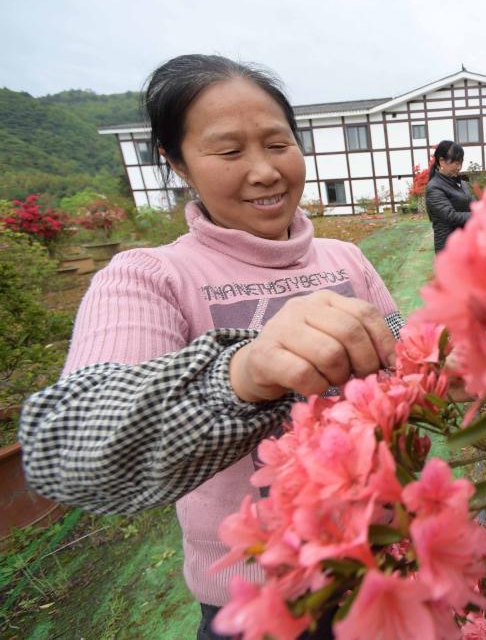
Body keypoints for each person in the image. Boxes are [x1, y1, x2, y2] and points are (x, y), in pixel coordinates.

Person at [18, 54, 404, 639]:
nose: (265, 171)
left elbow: (406, 358)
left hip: (388, 570)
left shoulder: (345, 258)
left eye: (278, 144)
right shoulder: (148, 276)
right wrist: (241, 371)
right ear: (176, 163)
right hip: (263, 608)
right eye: (229, 152)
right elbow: (66, 447)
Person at [425, 140, 474, 253]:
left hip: (466, 243)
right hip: (448, 248)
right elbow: (450, 216)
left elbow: (473, 204)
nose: (459, 167)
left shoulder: (462, 184)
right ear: (442, 161)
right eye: (456, 163)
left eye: (461, 163)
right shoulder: (434, 187)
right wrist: (478, 214)